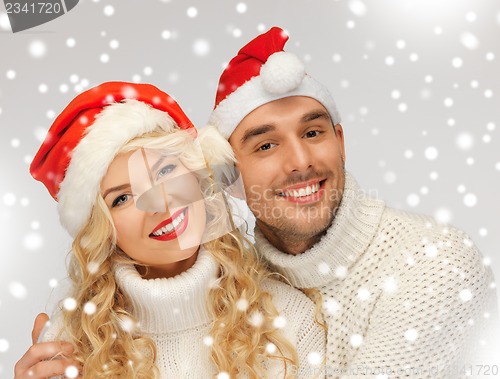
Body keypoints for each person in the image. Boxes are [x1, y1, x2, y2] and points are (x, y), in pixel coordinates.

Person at [207, 27, 499, 378]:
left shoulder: (435, 260)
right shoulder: (238, 288)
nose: (300, 161)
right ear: (230, 177)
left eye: (312, 133)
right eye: (266, 146)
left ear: (340, 142)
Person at [14, 81, 326, 378]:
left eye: (164, 172)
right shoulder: (72, 345)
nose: (159, 204)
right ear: (103, 230)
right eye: (122, 198)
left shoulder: (291, 321)